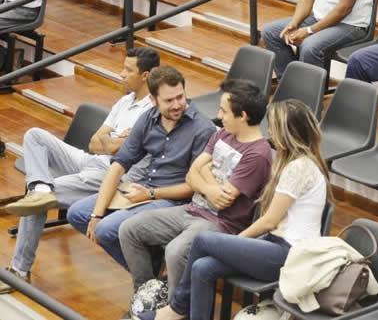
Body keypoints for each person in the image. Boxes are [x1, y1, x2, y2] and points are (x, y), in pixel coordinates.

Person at [143, 100, 329, 320]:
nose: (271, 134)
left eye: (274, 128)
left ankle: (176, 309)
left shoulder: (300, 167)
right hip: (273, 244)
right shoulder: (292, 163)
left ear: (286, 132)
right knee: (203, 267)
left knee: (202, 240)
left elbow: (269, 221)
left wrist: (237, 242)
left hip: (289, 254)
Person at [0, 48, 160, 294]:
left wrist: (111, 141)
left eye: (128, 70)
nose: (121, 74)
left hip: (112, 175)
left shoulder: (152, 110)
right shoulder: (125, 100)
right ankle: (40, 186)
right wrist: (113, 141)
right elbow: (94, 142)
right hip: (91, 159)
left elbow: (120, 150)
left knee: (36, 203)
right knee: (35, 136)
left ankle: (19, 270)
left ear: (145, 75)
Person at [119, 79, 272, 299]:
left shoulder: (258, 154)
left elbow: (222, 201)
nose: (219, 116)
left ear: (243, 116)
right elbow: (192, 173)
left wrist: (204, 175)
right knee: (129, 229)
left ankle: (176, 309)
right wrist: (209, 185)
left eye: (224, 111)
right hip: (192, 210)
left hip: (221, 224)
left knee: (175, 251)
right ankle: (146, 298)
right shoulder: (223, 134)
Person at [66, 66, 216, 269]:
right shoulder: (148, 118)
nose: (177, 105)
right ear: (153, 101)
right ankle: (148, 272)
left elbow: (195, 186)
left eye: (180, 97)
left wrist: (151, 194)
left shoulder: (202, 129)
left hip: (173, 199)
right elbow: (118, 166)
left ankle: (145, 280)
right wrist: (96, 214)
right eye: (168, 100)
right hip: (142, 188)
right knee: (78, 213)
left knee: (105, 229)